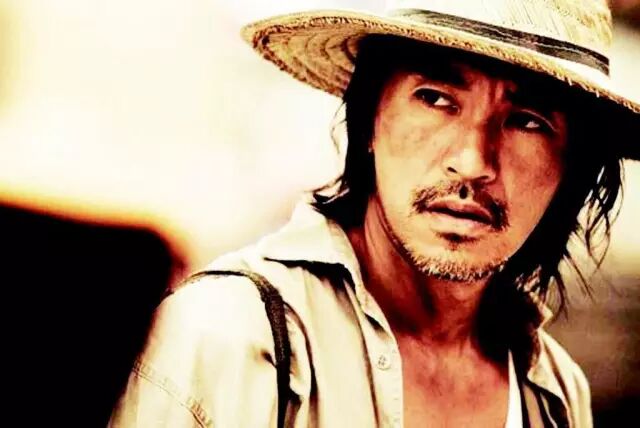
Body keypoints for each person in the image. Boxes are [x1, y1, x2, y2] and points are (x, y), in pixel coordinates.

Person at [109, 0, 639, 427]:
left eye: (527, 121)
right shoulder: (230, 337)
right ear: (368, 121)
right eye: (435, 99)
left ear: (571, 169)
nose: (473, 162)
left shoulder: (553, 393)